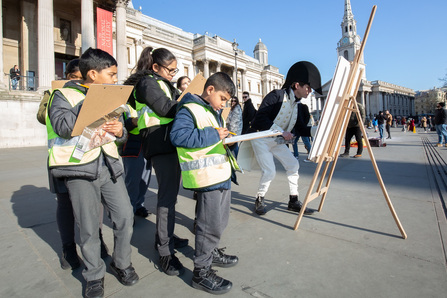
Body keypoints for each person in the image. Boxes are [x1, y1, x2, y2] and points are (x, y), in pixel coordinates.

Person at [47, 48, 139, 298]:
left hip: (109, 165)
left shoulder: (113, 97)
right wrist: (92, 104)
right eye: (111, 74)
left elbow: (120, 135)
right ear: (93, 74)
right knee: (88, 227)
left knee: (125, 217)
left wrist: (121, 131)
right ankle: (94, 275)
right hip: (79, 170)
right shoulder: (62, 95)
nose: (114, 79)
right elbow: (63, 127)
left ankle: (121, 263)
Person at [36, 59, 109, 270]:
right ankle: (68, 248)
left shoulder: (91, 93)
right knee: (65, 204)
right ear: (69, 77)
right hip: (62, 157)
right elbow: (43, 117)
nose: (81, 84)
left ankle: (98, 241)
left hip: (86, 157)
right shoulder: (56, 94)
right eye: (77, 79)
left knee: (94, 204)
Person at [170, 72, 238, 295]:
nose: (224, 104)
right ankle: (201, 272)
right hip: (206, 177)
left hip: (221, 174)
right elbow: (178, 137)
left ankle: (212, 253)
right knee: (209, 226)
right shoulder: (189, 109)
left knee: (219, 222)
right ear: (210, 90)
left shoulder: (213, 110)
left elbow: (216, 139)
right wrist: (214, 134)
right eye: (222, 99)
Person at [131, 47, 187, 276]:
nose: (173, 74)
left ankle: (165, 235)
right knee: (166, 198)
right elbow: (165, 108)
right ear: (155, 67)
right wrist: (191, 102)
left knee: (170, 196)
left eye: (175, 70)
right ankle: (164, 252)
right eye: (170, 70)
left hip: (169, 143)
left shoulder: (163, 83)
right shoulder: (146, 83)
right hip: (158, 143)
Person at [248, 61, 322, 216]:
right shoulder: (276, 95)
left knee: (293, 164)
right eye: (307, 87)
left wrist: (320, 130)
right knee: (270, 171)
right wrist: (282, 132)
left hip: (277, 141)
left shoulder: (298, 105)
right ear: (297, 85)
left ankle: (293, 200)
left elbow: (301, 128)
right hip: (261, 139)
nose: (309, 91)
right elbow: (259, 119)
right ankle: (259, 199)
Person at [121, 47, 155, 219]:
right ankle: (129, 211)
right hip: (133, 139)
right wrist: (133, 122)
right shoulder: (131, 88)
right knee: (133, 178)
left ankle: (139, 204)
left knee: (145, 177)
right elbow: (123, 117)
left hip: (147, 138)